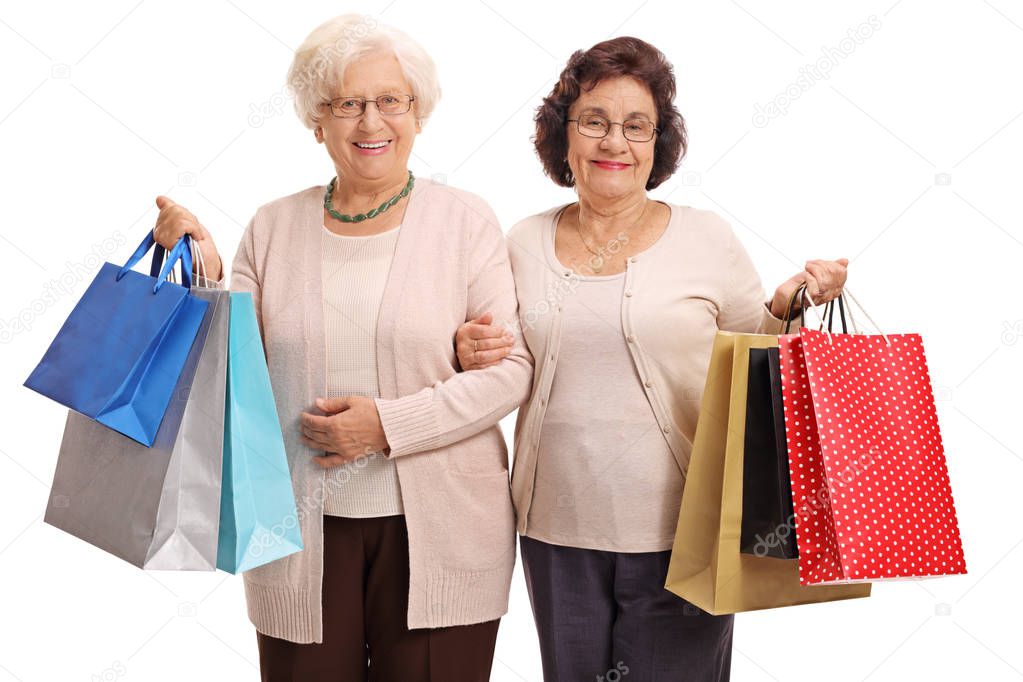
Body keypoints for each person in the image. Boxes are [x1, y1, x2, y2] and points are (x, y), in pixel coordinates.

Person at [151, 15, 532, 682]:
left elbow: (510, 374)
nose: (370, 121)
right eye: (346, 103)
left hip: (442, 530)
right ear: (315, 120)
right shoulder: (272, 227)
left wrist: (383, 426)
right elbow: (225, 372)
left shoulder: (464, 221)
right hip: (297, 528)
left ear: (418, 113)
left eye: (391, 100)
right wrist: (205, 274)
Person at [455, 36, 848, 681]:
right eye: (595, 123)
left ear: (658, 143)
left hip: (685, 530)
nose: (615, 142)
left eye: (637, 127)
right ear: (565, 138)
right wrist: (470, 348)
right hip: (555, 528)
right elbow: (502, 355)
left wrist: (788, 304)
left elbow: (758, 362)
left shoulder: (706, 238)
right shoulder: (521, 242)